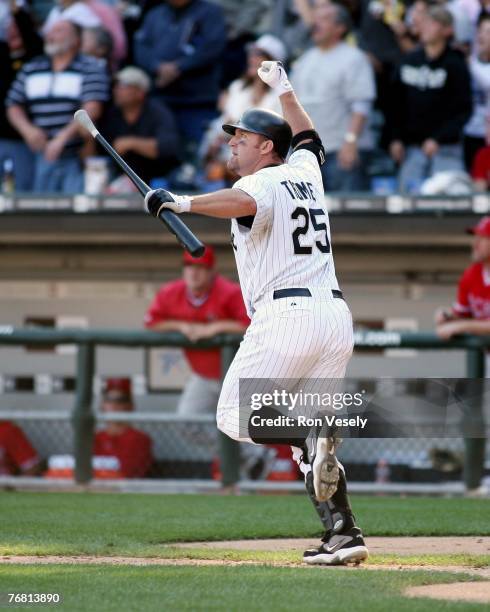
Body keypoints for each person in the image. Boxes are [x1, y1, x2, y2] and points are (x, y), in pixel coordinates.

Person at [144, 60, 368, 565]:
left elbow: (237, 201)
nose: (232, 144)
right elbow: (309, 138)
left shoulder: (263, 182)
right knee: (307, 446)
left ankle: (313, 437)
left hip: (286, 317)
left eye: (241, 138)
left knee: (234, 414)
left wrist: (182, 202)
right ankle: (343, 535)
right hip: (334, 317)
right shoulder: (304, 171)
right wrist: (285, 90)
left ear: (266, 147)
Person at [6, 19, 110, 193]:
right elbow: (13, 104)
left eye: (59, 31)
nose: (51, 35)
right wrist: (28, 130)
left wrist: (62, 138)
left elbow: (92, 108)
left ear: (76, 40)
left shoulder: (90, 67)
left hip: (77, 155)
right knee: (41, 211)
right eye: (50, 31)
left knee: (77, 211)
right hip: (41, 153)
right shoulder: (32, 67)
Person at [144, 246, 249, 415]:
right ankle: (216, 443)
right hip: (203, 376)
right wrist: (181, 326)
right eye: (189, 266)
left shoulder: (230, 292)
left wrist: (214, 328)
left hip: (240, 376)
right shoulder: (171, 292)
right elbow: (151, 322)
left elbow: (252, 324)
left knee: (250, 431)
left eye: (200, 267)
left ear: (213, 271)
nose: (194, 273)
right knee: (187, 419)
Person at [290, 3, 376, 192]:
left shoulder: (354, 58)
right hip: (308, 156)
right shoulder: (305, 60)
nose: (315, 24)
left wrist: (351, 141)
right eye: (315, 18)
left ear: (340, 28)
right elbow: (292, 106)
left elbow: (361, 105)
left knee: (347, 218)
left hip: (341, 151)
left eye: (324, 19)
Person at [388, 6, 472, 193]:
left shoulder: (456, 63)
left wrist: (437, 139)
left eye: (432, 23)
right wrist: (395, 138)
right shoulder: (409, 60)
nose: (425, 27)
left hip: (447, 149)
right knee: (405, 205)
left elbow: (464, 110)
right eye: (423, 22)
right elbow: (394, 104)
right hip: (412, 149)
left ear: (447, 29)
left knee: (451, 203)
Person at [435, 216, 490, 495]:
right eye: (477, 236)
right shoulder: (472, 274)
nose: (477, 242)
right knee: (474, 416)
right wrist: (448, 316)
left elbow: (469, 322)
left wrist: (461, 325)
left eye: (483, 237)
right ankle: (476, 483)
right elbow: (464, 313)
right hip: (486, 357)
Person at [133, 0, 227, 155]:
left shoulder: (210, 11)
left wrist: (180, 67)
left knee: (196, 154)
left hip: (197, 101)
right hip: (160, 97)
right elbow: (141, 47)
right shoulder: (156, 13)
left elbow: (213, 46)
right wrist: (157, 66)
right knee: (160, 153)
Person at [97, 66, 181, 186]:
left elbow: (168, 147)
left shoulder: (158, 112)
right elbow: (101, 153)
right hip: (120, 180)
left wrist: (131, 143)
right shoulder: (111, 115)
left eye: (123, 86)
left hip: (159, 179)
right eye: (116, 86)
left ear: (140, 92)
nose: (117, 90)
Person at [0, 1, 43, 191]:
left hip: (22, 136)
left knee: (23, 189)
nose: (13, 31)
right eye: (9, 27)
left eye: (17, 28)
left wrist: (15, 9)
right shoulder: (3, 54)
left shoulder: (34, 58)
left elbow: (32, 37)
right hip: (1, 134)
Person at [94, 377, 154, 478]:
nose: (114, 405)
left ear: (130, 406)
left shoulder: (140, 439)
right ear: (102, 406)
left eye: (121, 400)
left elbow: (130, 473)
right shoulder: (94, 438)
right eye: (109, 400)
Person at [464, 14, 490, 172]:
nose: (482, 36)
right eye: (480, 31)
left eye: (488, 32)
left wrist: (468, 65)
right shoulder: (469, 61)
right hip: (468, 131)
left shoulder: (469, 64)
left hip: (486, 134)